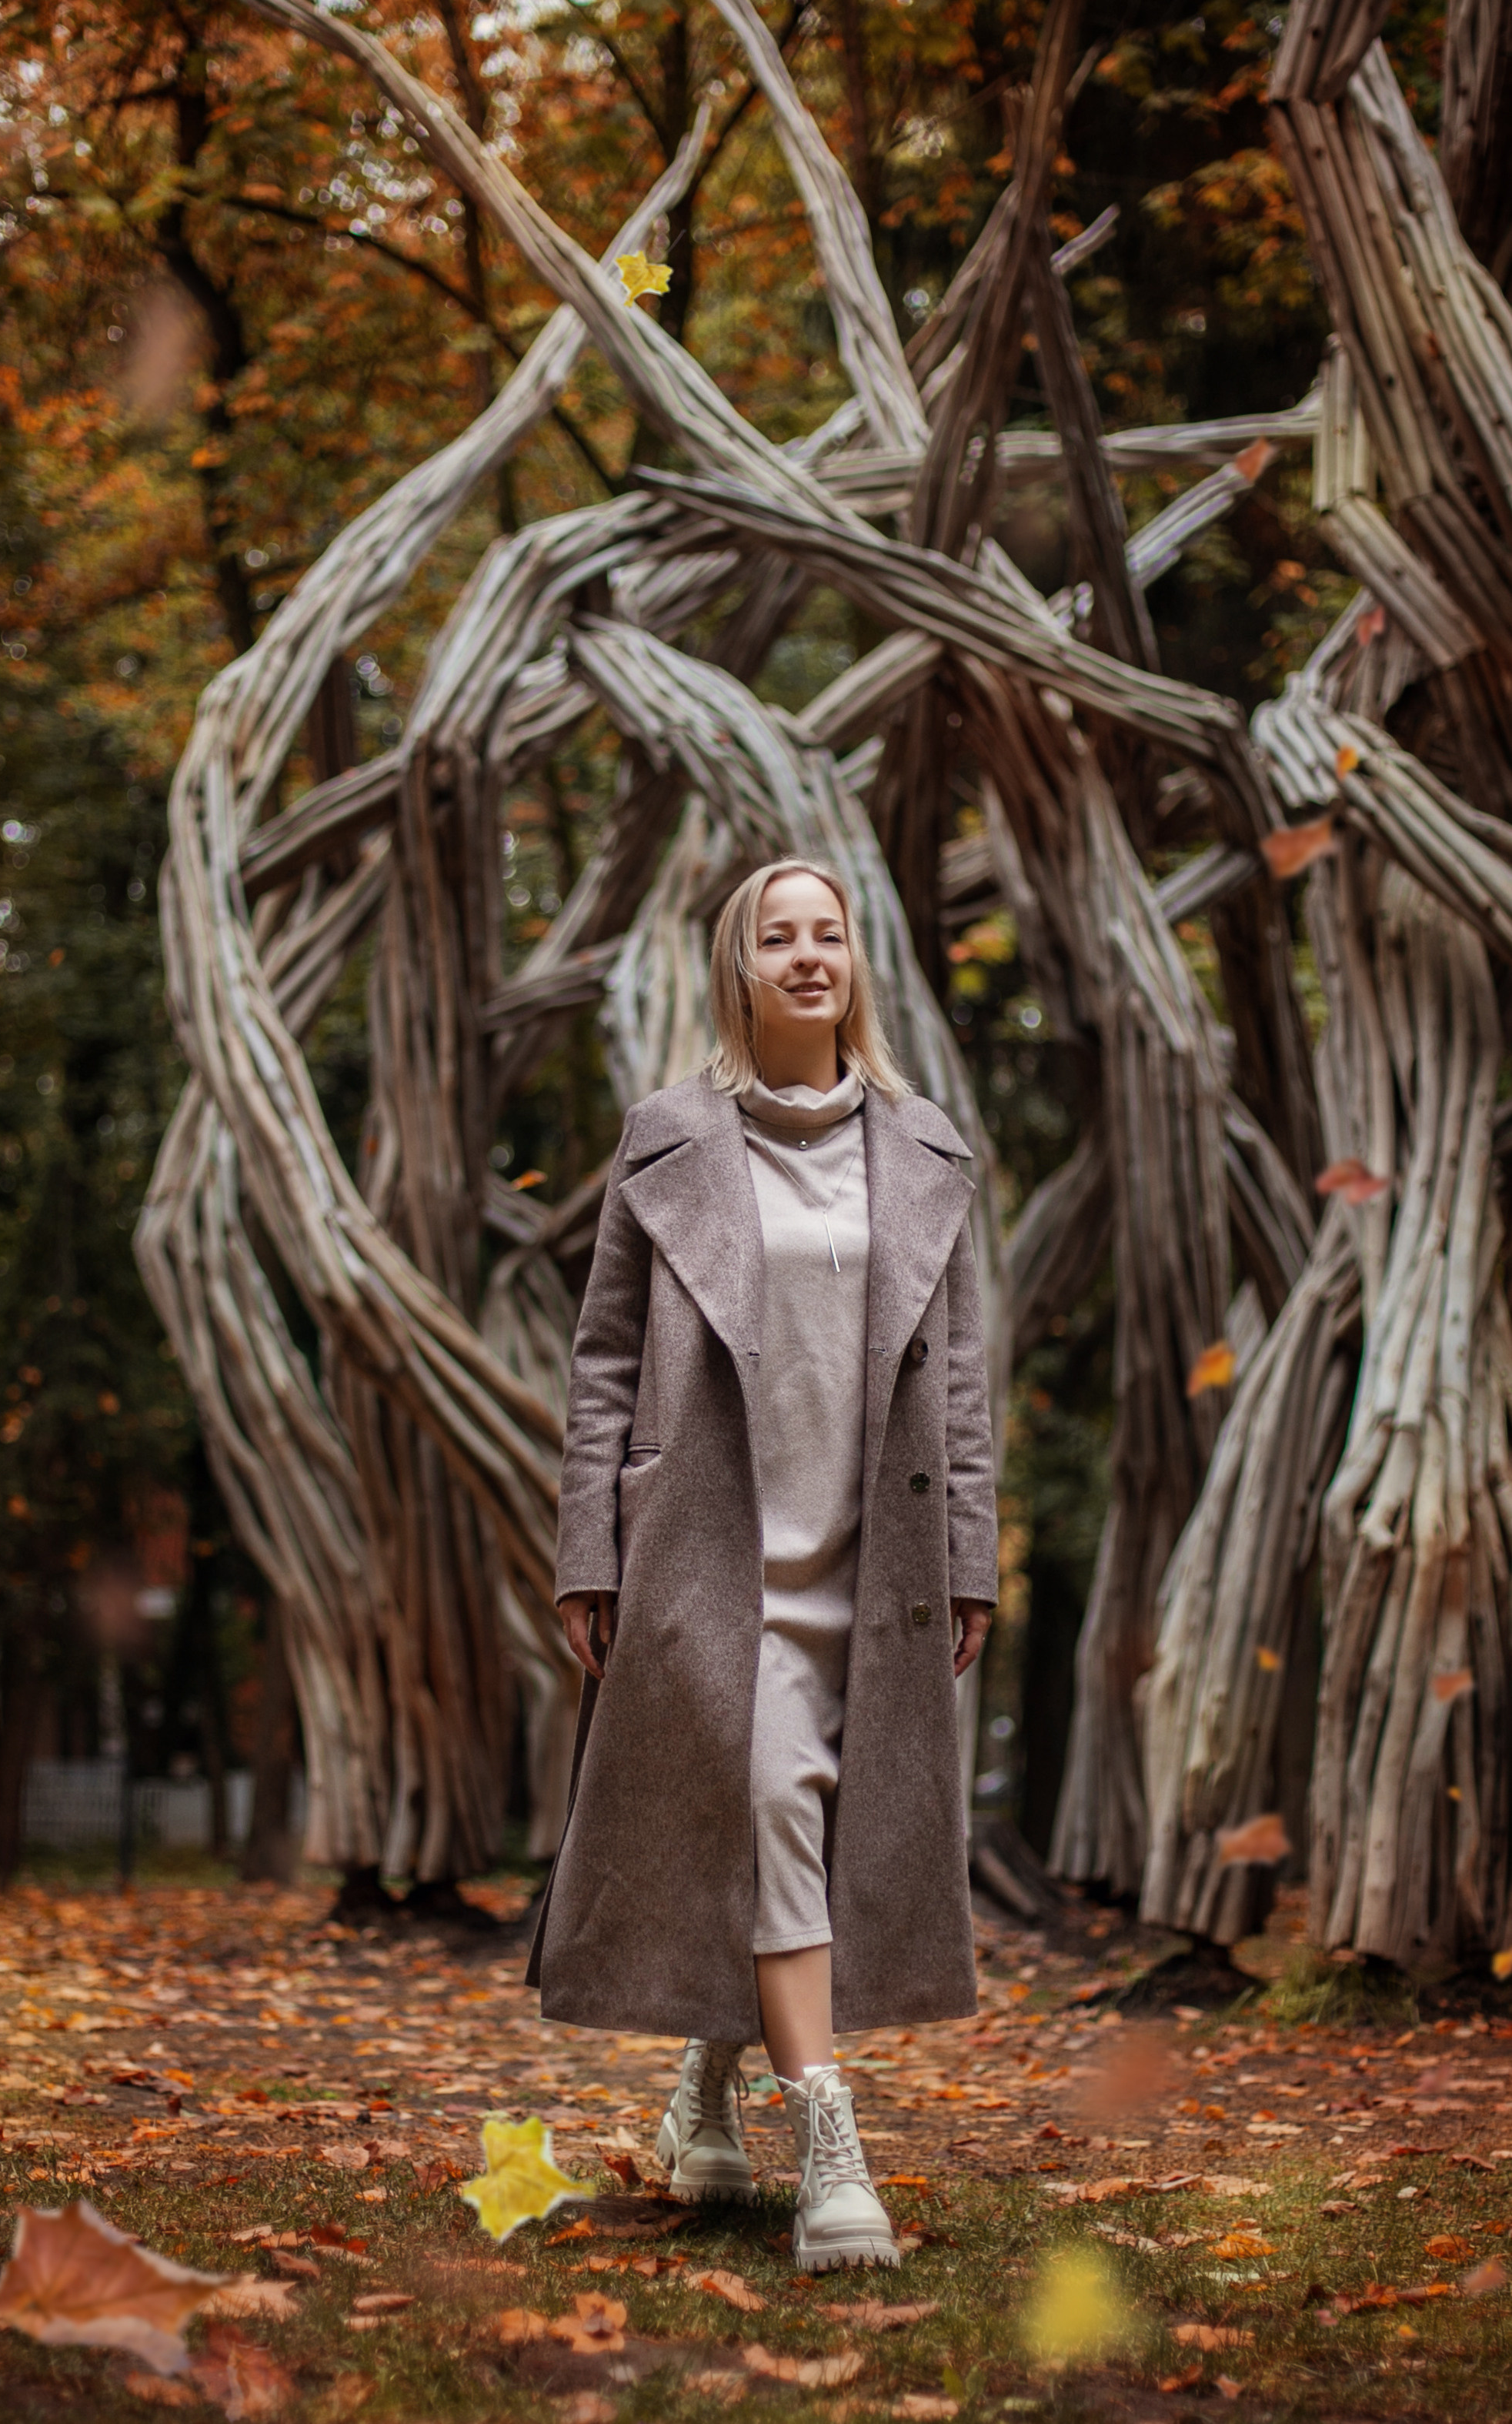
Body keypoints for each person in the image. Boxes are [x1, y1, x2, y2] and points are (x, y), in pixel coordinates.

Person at [526, 856, 997, 2272]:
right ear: (741, 968)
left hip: (879, 1555)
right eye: (777, 936)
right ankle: (832, 2138)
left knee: (789, 1808)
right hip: (706, 1554)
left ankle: (705, 2089)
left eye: (829, 933)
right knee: (777, 1794)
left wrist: (971, 1553)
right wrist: (586, 1545)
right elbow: (604, 1360)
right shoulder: (667, 1138)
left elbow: (960, 1379)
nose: (808, 955)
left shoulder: (926, 1148)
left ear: (857, 962)